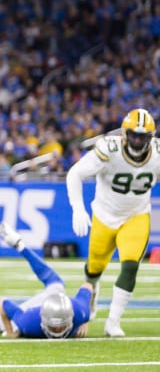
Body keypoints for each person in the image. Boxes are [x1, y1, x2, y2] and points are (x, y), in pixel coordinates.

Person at [66, 107, 160, 337]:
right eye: (134, 135)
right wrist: (77, 208)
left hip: (136, 215)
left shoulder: (157, 154)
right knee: (94, 269)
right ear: (124, 133)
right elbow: (75, 174)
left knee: (130, 265)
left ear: (151, 138)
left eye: (142, 137)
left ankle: (113, 321)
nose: (137, 141)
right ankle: (92, 289)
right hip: (105, 215)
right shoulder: (109, 149)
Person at [0, 222, 93, 339]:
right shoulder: (28, 323)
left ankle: (21, 246)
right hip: (35, 312)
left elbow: (88, 286)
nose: (58, 331)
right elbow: (2, 303)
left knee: (57, 285)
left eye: (60, 326)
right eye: (54, 327)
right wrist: (10, 330)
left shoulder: (81, 312)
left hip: (61, 306)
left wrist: (86, 321)